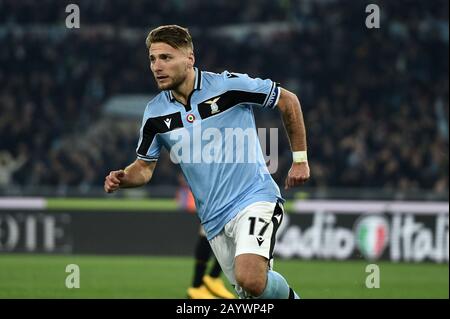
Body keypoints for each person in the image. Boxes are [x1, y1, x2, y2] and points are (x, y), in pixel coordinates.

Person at [104, 25, 310, 299]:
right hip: (213, 220)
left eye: (166, 57)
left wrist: (299, 160)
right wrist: (123, 178)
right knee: (253, 294)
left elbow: (288, 101)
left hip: (254, 197)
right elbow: (144, 168)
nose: (157, 66)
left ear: (189, 58)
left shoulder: (227, 86)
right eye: (153, 59)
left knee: (250, 278)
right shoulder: (155, 113)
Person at [176, 173, 235, 299]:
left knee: (214, 235)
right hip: (215, 192)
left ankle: (200, 284)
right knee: (220, 234)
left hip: (218, 190)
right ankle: (205, 281)